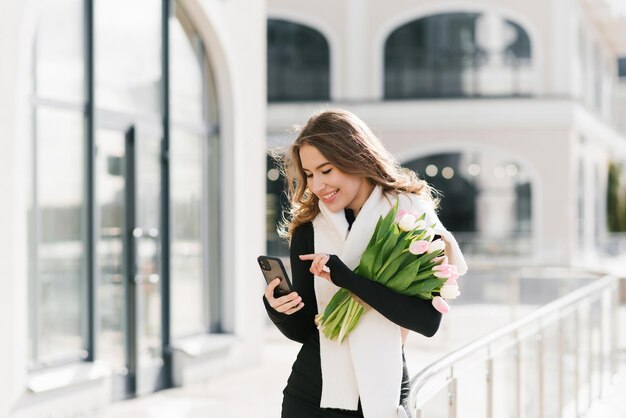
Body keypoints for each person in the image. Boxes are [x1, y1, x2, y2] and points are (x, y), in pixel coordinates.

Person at [263, 109, 467, 418]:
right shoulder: (310, 228)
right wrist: (279, 309)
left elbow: (427, 322)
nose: (317, 186)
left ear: (355, 157)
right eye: (309, 174)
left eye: (326, 170)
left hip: (382, 395)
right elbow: (306, 331)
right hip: (310, 395)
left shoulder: (411, 219)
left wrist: (347, 278)